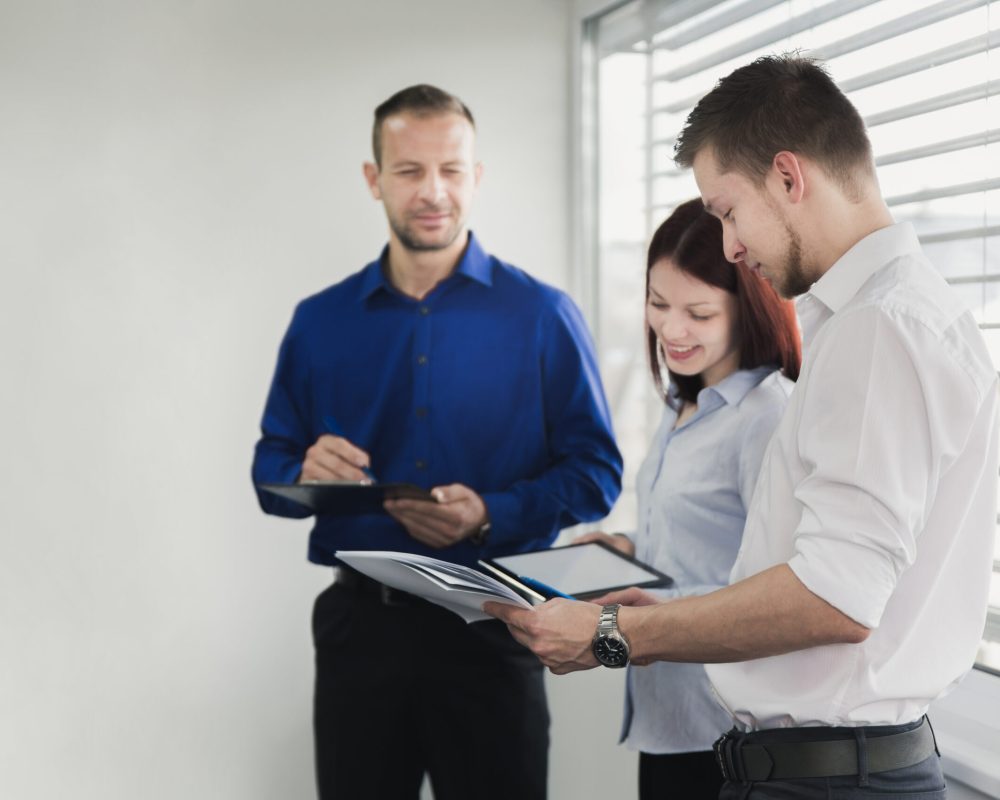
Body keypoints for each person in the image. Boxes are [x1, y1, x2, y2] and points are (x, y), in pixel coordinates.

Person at [486, 55, 999, 799]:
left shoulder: (878, 328)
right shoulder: (900, 314)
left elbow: (836, 597)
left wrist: (614, 635)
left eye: (727, 211)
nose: (728, 245)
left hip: (830, 780)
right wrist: (660, 608)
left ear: (788, 177)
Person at [251, 84, 622, 800]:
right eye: (409, 170)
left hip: (495, 627)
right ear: (374, 179)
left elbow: (596, 474)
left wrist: (488, 513)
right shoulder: (319, 321)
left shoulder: (542, 315)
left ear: (475, 177)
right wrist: (303, 469)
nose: (432, 191)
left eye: (451, 170)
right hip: (360, 636)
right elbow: (270, 470)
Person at [575, 198, 800, 799]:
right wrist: (624, 548)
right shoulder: (685, 402)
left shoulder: (765, 416)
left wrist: (647, 613)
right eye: (658, 304)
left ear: (747, 307)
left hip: (725, 729)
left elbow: (784, 586)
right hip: (667, 716)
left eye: (698, 313)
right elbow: (706, 536)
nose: (672, 331)